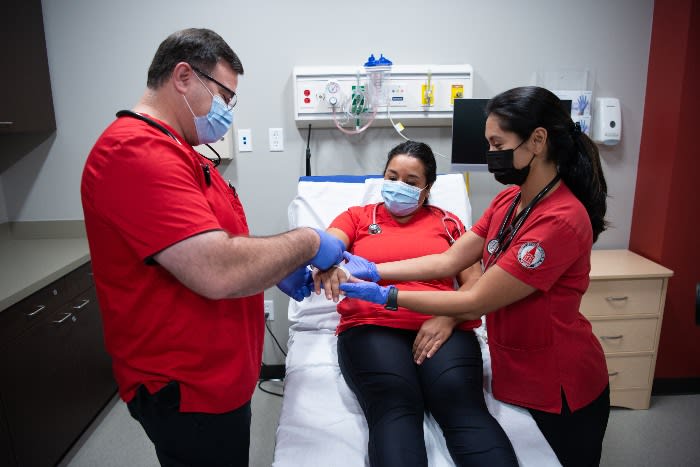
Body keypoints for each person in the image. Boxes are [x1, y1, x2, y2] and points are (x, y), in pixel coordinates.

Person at [80, 28, 344, 467]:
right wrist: (309, 241)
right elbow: (217, 269)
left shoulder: (183, 154)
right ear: (183, 76)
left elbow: (215, 244)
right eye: (223, 96)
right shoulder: (134, 152)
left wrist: (273, 268)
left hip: (216, 379)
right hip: (186, 389)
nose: (226, 112)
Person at [323, 87, 611, 467]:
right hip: (516, 366)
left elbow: (474, 299)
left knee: (482, 422)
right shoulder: (509, 202)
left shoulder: (558, 220)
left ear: (537, 140)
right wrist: (371, 271)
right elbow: (448, 261)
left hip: (560, 381)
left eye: (497, 143)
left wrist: (387, 294)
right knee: (395, 408)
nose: (490, 154)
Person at [313, 141, 518, 467]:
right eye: (391, 177)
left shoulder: (449, 224)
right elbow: (329, 245)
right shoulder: (358, 217)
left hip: (443, 325)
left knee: (461, 404)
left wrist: (448, 316)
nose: (398, 187)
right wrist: (315, 256)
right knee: (395, 404)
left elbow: (475, 284)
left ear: (427, 188)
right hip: (372, 325)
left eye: (410, 182)